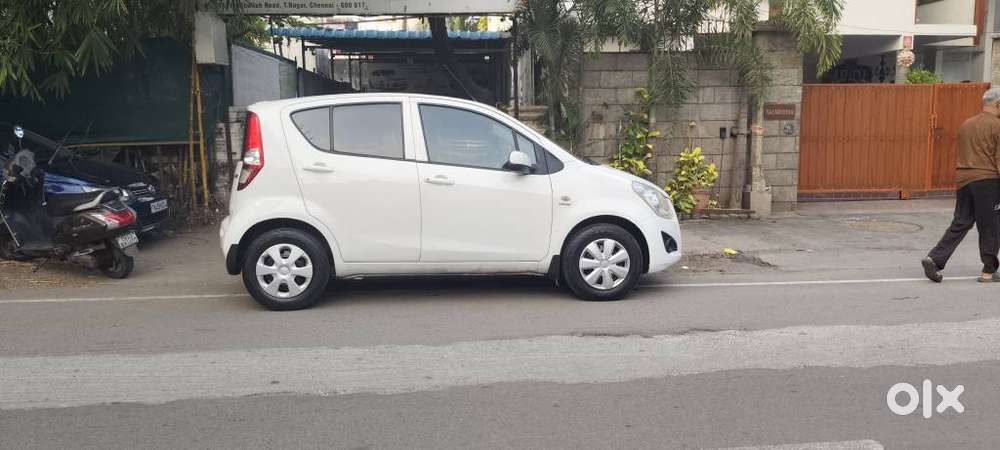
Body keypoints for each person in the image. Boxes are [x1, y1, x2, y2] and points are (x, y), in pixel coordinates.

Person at [923, 87, 1000, 283]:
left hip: (964, 179)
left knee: (961, 221)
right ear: (998, 104)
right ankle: (988, 272)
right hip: (988, 181)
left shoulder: (967, 123)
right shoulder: (997, 126)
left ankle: (935, 258)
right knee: (990, 225)